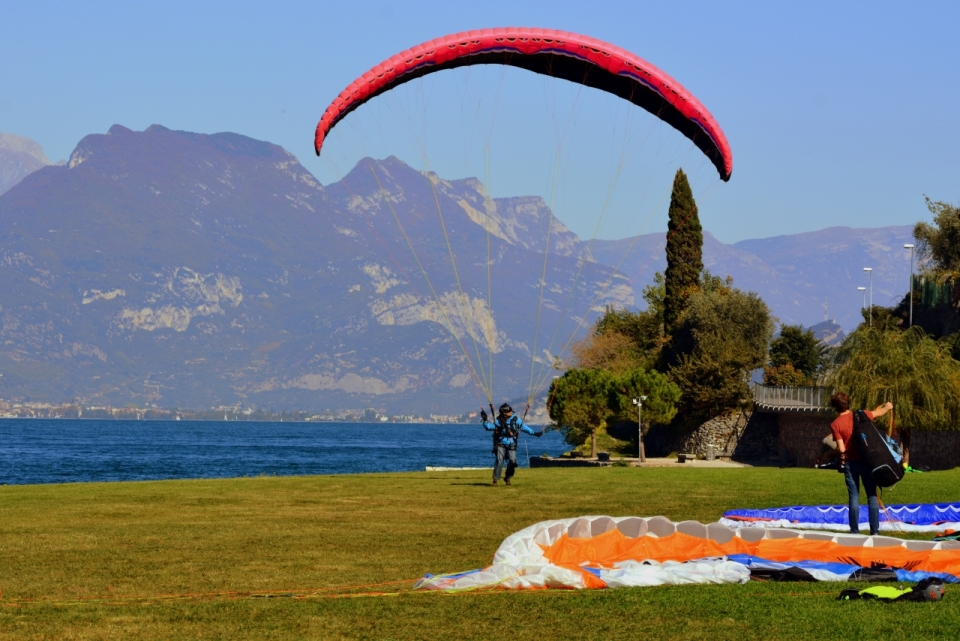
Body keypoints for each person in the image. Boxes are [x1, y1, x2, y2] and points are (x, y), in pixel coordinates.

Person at [829, 391, 894, 535]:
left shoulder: (835, 424)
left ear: (835, 407)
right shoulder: (861, 415)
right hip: (867, 462)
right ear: (848, 402)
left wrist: (828, 454)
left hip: (850, 465)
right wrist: (888, 407)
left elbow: (841, 449)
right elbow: (878, 413)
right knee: (872, 496)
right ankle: (875, 531)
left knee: (854, 497)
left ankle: (854, 531)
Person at [481, 403, 542, 486]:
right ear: (504, 413)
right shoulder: (499, 421)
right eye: (509, 411)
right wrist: (485, 420)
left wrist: (534, 433)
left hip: (512, 443)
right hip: (501, 443)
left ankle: (508, 477)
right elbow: (489, 427)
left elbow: (524, 427)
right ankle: (495, 479)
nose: (511, 412)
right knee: (499, 461)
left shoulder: (516, 420)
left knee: (513, 462)